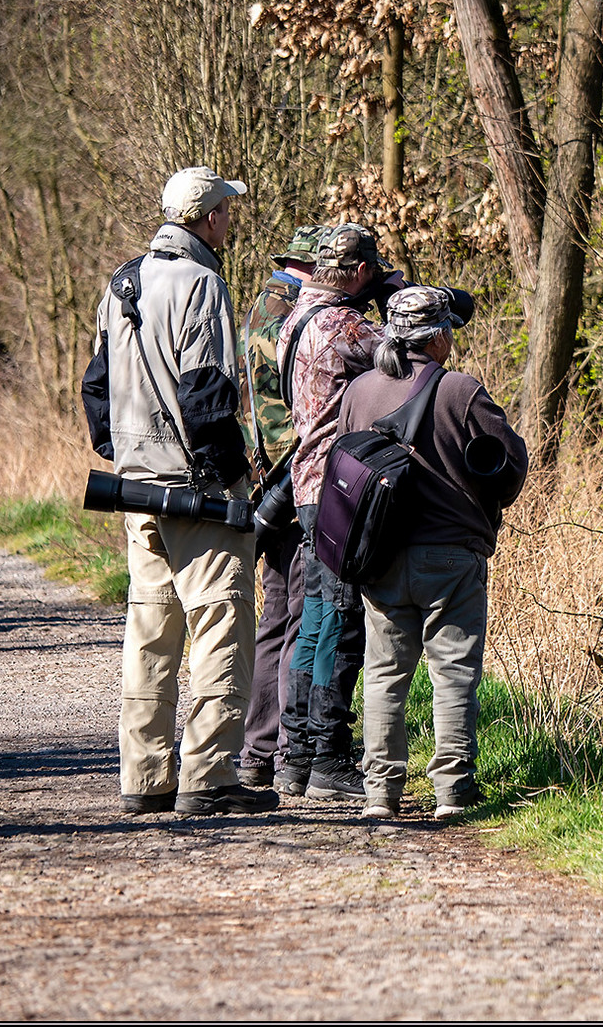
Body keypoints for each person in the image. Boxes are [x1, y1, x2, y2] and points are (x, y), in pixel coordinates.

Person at [80, 166, 278, 815]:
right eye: (226, 212)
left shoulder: (124, 280)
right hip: (195, 487)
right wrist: (229, 481)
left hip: (135, 485)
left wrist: (123, 451)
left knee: (151, 630)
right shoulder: (200, 282)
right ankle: (208, 776)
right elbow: (207, 391)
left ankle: (144, 777)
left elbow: (96, 387)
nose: (230, 223)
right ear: (208, 217)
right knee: (223, 621)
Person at [337, 285, 527, 820]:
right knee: (455, 671)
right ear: (438, 335)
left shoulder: (359, 392)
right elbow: (511, 466)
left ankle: (381, 793)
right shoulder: (461, 390)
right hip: (450, 556)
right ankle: (453, 790)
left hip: (379, 554)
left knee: (383, 672)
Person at [274, 223, 408, 801]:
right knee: (341, 621)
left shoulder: (296, 316)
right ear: (356, 274)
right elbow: (407, 354)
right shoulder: (341, 324)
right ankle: (328, 755)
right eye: (370, 272)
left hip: (306, 486)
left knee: (314, 621)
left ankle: (296, 756)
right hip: (340, 490)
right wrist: (400, 293)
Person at [235, 225, 330, 787]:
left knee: (276, 615)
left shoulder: (262, 304)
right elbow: (283, 418)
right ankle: (284, 750)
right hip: (286, 484)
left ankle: (258, 750)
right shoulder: (288, 313)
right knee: (297, 615)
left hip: (262, 481)